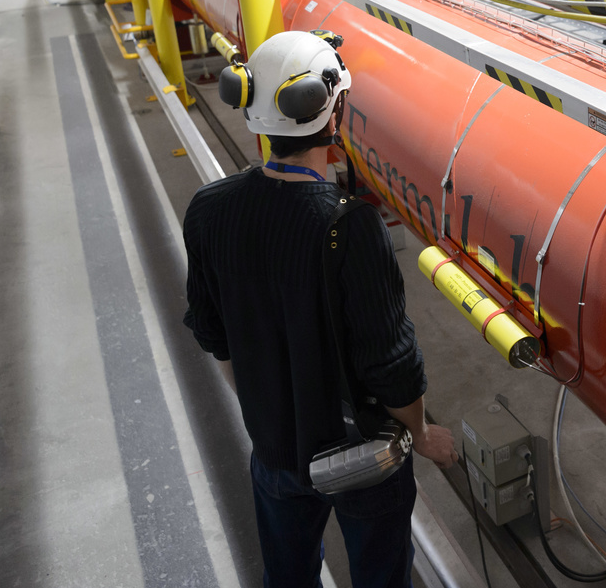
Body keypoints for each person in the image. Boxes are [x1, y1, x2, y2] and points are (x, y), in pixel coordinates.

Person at [182, 30, 457, 588]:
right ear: (331, 114)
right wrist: (423, 433)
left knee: (288, 575)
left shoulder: (209, 210)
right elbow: (392, 363)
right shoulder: (350, 225)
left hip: (274, 453)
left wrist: (272, 407)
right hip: (361, 463)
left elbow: (215, 335)